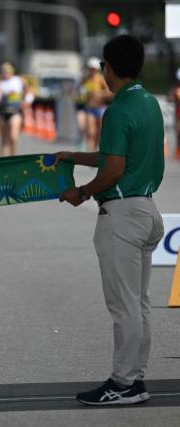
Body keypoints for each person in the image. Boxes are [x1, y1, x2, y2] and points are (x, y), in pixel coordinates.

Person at [56, 35, 165, 406]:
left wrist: (81, 193)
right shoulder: (149, 103)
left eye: (102, 66)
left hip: (121, 213)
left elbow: (114, 169)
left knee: (123, 306)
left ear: (109, 68)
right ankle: (136, 378)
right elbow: (119, 157)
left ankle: (123, 383)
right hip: (147, 207)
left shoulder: (117, 110)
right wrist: (74, 155)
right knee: (139, 304)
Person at [0, 62, 30, 156]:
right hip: (3, 112)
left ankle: (13, 158)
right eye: (3, 72)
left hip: (15, 112)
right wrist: (0, 97)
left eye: (7, 71)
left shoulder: (19, 80)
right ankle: (4, 162)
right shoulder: (0, 83)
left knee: (13, 137)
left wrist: (26, 102)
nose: (5, 74)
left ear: (12, 72)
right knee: (4, 140)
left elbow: (29, 93)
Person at [81, 57, 113, 152]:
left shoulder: (100, 79)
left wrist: (99, 94)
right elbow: (78, 91)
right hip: (89, 108)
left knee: (99, 132)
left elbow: (110, 93)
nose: (92, 70)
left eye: (93, 69)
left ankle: (96, 150)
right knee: (91, 132)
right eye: (90, 68)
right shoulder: (85, 79)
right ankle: (90, 151)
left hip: (100, 108)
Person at [169, 68, 180, 160]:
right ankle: (178, 151)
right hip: (178, 114)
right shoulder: (175, 89)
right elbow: (170, 99)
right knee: (178, 132)